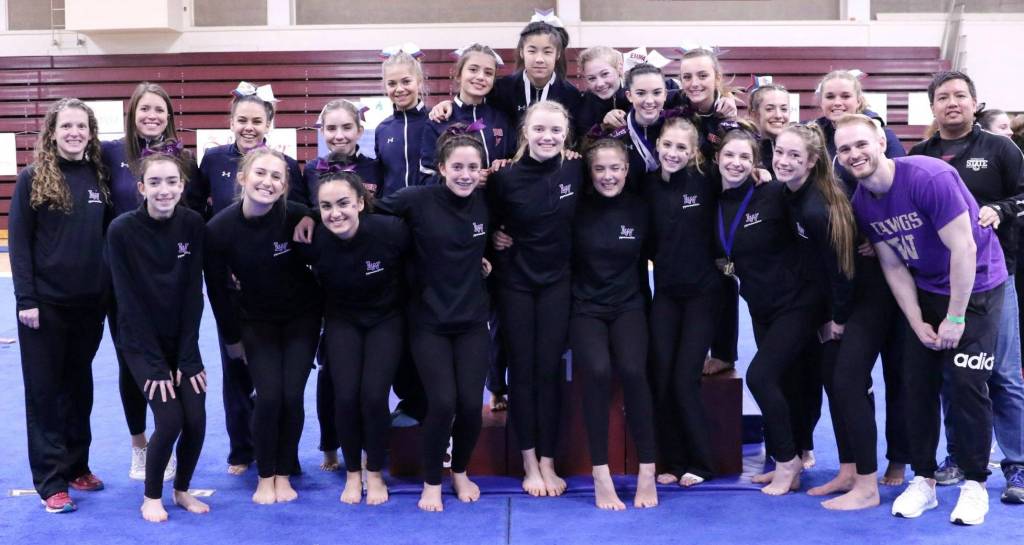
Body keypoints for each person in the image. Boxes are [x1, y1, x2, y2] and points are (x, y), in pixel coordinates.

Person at [837, 113, 1008, 525]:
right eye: (844, 149)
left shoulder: (929, 177)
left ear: (882, 142)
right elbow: (893, 265)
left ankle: (974, 483)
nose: (854, 154)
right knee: (915, 384)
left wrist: (956, 317)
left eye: (861, 144)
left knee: (966, 384)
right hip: (927, 288)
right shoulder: (862, 202)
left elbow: (965, 249)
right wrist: (916, 321)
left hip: (977, 286)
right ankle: (924, 479)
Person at [908, 71, 1024, 505]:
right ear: (933, 107)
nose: (952, 103)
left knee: (1002, 374)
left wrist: (1001, 209)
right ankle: (958, 456)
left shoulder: (1001, 148)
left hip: (995, 278)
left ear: (975, 104)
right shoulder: (920, 155)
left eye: (960, 95)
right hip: (939, 285)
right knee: (955, 374)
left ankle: (1017, 464)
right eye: (943, 97)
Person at [376, 127, 493, 512]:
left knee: (470, 405)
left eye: (473, 168)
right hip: (428, 321)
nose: (465, 175)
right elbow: (368, 213)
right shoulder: (416, 199)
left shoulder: (485, 203)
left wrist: (492, 253)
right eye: (457, 167)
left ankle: (459, 471)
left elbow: (500, 236)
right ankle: (431, 481)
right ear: (441, 168)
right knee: (442, 403)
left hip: (472, 320)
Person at [188, 82, 303, 476]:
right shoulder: (213, 159)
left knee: (278, 379)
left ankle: (283, 451)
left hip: (274, 279)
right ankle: (241, 449)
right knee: (236, 367)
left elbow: (298, 214)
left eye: (257, 120)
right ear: (231, 121)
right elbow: (196, 210)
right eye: (242, 120)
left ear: (269, 123)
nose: (249, 127)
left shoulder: (285, 165)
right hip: (230, 278)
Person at [204, 147, 322, 504]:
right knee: (269, 397)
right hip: (255, 321)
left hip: (301, 318)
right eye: (260, 173)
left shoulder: (295, 214)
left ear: (285, 186)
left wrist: (312, 215)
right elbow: (217, 290)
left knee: (291, 396)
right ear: (242, 178)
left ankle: (284, 473)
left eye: (276, 177)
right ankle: (265, 475)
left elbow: (332, 212)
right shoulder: (219, 229)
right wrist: (231, 339)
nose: (267, 182)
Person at [10, 98, 110, 514]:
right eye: (66, 126)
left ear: (91, 133)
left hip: (89, 306)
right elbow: (19, 243)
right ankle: (51, 481)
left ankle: (76, 466)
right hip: (44, 307)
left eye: (81, 126)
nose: (74, 133)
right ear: (52, 132)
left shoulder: (98, 176)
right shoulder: (33, 178)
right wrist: (26, 299)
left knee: (79, 388)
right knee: (45, 394)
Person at [814, 69, 912, 482]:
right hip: (844, 273)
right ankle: (854, 462)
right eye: (830, 97)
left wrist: (879, 234)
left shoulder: (880, 136)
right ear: (820, 103)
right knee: (849, 375)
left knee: (897, 371)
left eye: (844, 96)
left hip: (887, 271)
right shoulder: (818, 139)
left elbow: (900, 189)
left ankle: (899, 457)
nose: (837, 103)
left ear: (859, 99)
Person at [101, 81, 199, 482]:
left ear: (169, 116)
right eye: (145, 109)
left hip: (170, 272)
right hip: (124, 271)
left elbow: (196, 212)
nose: (152, 116)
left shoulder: (184, 158)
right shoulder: (110, 153)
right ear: (133, 114)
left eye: (160, 109)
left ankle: (165, 433)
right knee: (131, 362)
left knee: (171, 354)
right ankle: (140, 444)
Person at [714, 125, 820, 496]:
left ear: (756, 162)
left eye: (745, 157)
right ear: (717, 159)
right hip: (760, 306)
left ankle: (789, 461)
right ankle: (785, 459)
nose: (736, 163)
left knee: (761, 377)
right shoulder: (714, 199)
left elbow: (817, 224)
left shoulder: (773, 193)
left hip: (797, 304)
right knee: (786, 382)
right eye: (729, 155)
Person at [107, 149, 210, 523]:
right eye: (154, 182)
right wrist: (154, 365)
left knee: (196, 419)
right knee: (169, 420)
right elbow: (128, 302)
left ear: (182, 186)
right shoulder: (122, 230)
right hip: (139, 343)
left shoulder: (193, 224)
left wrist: (187, 356)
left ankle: (181, 490)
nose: (163, 190)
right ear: (141, 188)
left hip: (180, 340)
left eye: (171, 182)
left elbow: (193, 295)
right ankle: (151, 496)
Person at [298, 170, 408, 505]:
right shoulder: (314, 240)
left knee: (373, 396)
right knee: (345, 397)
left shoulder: (390, 231)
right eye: (326, 206)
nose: (336, 213)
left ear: (361, 203)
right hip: (342, 320)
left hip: (385, 319)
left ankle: (373, 471)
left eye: (344, 204)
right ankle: (352, 473)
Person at [488, 100, 581, 497]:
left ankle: (548, 460)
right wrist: (493, 237)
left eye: (556, 131)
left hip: (557, 283)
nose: (547, 137)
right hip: (516, 285)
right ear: (525, 131)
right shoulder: (503, 177)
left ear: (566, 135)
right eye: (539, 129)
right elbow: (483, 220)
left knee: (549, 372)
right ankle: (528, 461)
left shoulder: (576, 169)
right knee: (523, 372)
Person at [571, 137, 658, 509]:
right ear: (590, 173)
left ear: (626, 169)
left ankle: (647, 471)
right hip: (585, 307)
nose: (608, 176)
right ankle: (600, 472)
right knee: (597, 371)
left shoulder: (640, 208)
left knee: (635, 372)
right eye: (600, 169)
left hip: (628, 305)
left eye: (615, 168)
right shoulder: (576, 208)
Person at [644, 117, 720, 488]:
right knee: (660, 377)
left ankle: (702, 462)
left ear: (693, 153)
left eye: (681, 148)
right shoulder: (647, 185)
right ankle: (672, 461)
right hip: (666, 294)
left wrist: (760, 173)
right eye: (668, 145)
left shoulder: (707, 181)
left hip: (703, 294)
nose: (673, 153)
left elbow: (740, 188)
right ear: (658, 145)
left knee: (684, 379)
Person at [374, 45, 431, 425]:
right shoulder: (382, 130)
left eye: (405, 81)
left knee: (427, 317)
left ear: (420, 81)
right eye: (392, 83)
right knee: (398, 318)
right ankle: (409, 399)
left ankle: (433, 397)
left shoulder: (437, 121)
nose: (399, 89)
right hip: (394, 236)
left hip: (430, 233)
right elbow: (380, 183)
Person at [419, 43, 512, 181]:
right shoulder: (439, 120)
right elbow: (427, 177)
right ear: (458, 75)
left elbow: (515, 163)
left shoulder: (501, 119)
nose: (481, 77)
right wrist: (464, 180)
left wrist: (505, 166)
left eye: (488, 73)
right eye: (473, 69)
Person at [295, 99, 383, 204]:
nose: (339, 136)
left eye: (347, 128)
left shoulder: (375, 168)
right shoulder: (312, 169)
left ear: (359, 131)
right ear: (322, 132)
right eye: (331, 129)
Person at [747, 80, 792, 177]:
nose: (778, 115)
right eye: (769, 109)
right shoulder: (743, 147)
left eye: (783, 109)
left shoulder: (797, 147)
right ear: (754, 114)